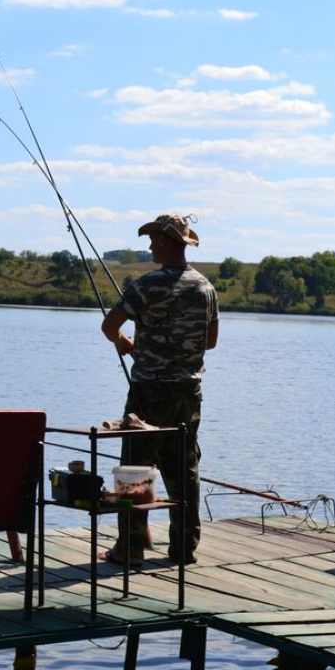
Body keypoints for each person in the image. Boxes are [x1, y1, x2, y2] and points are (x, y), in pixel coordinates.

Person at [100, 213, 219, 566]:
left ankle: (131, 548)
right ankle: (184, 550)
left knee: (135, 469)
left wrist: (124, 341)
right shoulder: (205, 288)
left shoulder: (146, 286)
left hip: (148, 393)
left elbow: (109, 325)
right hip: (187, 394)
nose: (150, 245)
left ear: (167, 242)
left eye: (153, 238)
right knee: (184, 469)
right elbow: (210, 343)